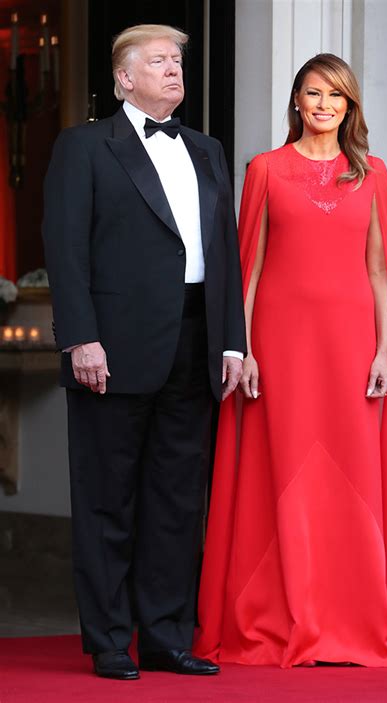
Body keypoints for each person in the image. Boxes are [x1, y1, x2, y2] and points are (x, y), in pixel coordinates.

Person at [42, 24, 245, 680]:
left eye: (178, 61)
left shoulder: (208, 150)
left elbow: (226, 254)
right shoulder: (84, 147)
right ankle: (106, 640)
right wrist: (79, 336)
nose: (174, 70)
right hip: (112, 344)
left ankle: (164, 636)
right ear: (124, 78)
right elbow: (65, 247)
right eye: (158, 61)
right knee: (107, 498)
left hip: (196, 342)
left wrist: (233, 339)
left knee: (178, 500)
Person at [194, 53, 387, 668]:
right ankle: (277, 617)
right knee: (276, 471)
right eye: (313, 93)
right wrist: (245, 348)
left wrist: (384, 351)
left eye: (336, 96)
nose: (323, 105)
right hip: (279, 348)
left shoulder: (374, 174)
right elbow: (246, 270)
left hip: (350, 346)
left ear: (350, 106)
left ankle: (347, 621)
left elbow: (379, 271)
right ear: (296, 102)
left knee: (351, 474)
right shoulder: (264, 170)